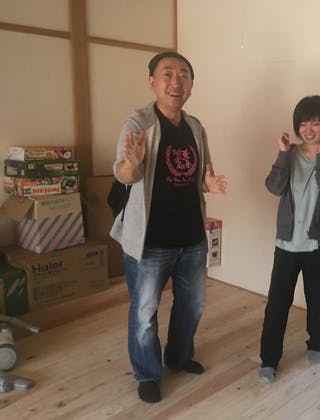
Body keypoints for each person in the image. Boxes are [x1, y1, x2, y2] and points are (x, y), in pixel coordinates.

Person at [110, 51, 227, 403]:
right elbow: (123, 173)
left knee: (193, 305)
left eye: (184, 75)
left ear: (191, 85)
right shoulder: (138, 123)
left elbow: (200, 176)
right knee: (145, 312)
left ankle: (177, 356)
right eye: (168, 74)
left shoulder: (195, 127)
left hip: (191, 237)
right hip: (150, 241)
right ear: (152, 82)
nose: (177, 82)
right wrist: (132, 166)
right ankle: (147, 373)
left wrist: (209, 184)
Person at [258, 95, 320, 384]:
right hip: (287, 243)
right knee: (277, 304)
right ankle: (269, 359)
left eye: (315, 123)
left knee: (317, 300)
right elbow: (274, 187)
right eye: (303, 123)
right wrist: (282, 153)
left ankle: (315, 343)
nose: (308, 130)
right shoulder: (290, 153)